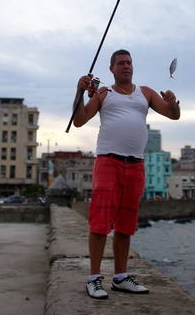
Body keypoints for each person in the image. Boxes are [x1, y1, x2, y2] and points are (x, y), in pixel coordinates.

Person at [73, 49, 180, 299]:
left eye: (129, 62)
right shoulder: (104, 93)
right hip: (108, 161)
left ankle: (120, 277)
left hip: (136, 165)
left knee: (126, 224)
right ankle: (94, 278)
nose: (126, 66)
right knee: (100, 222)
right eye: (121, 63)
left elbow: (172, 115)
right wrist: (79, 93)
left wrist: (174, 103)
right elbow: (79, 120)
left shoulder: (146, 92)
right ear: (112, 69)